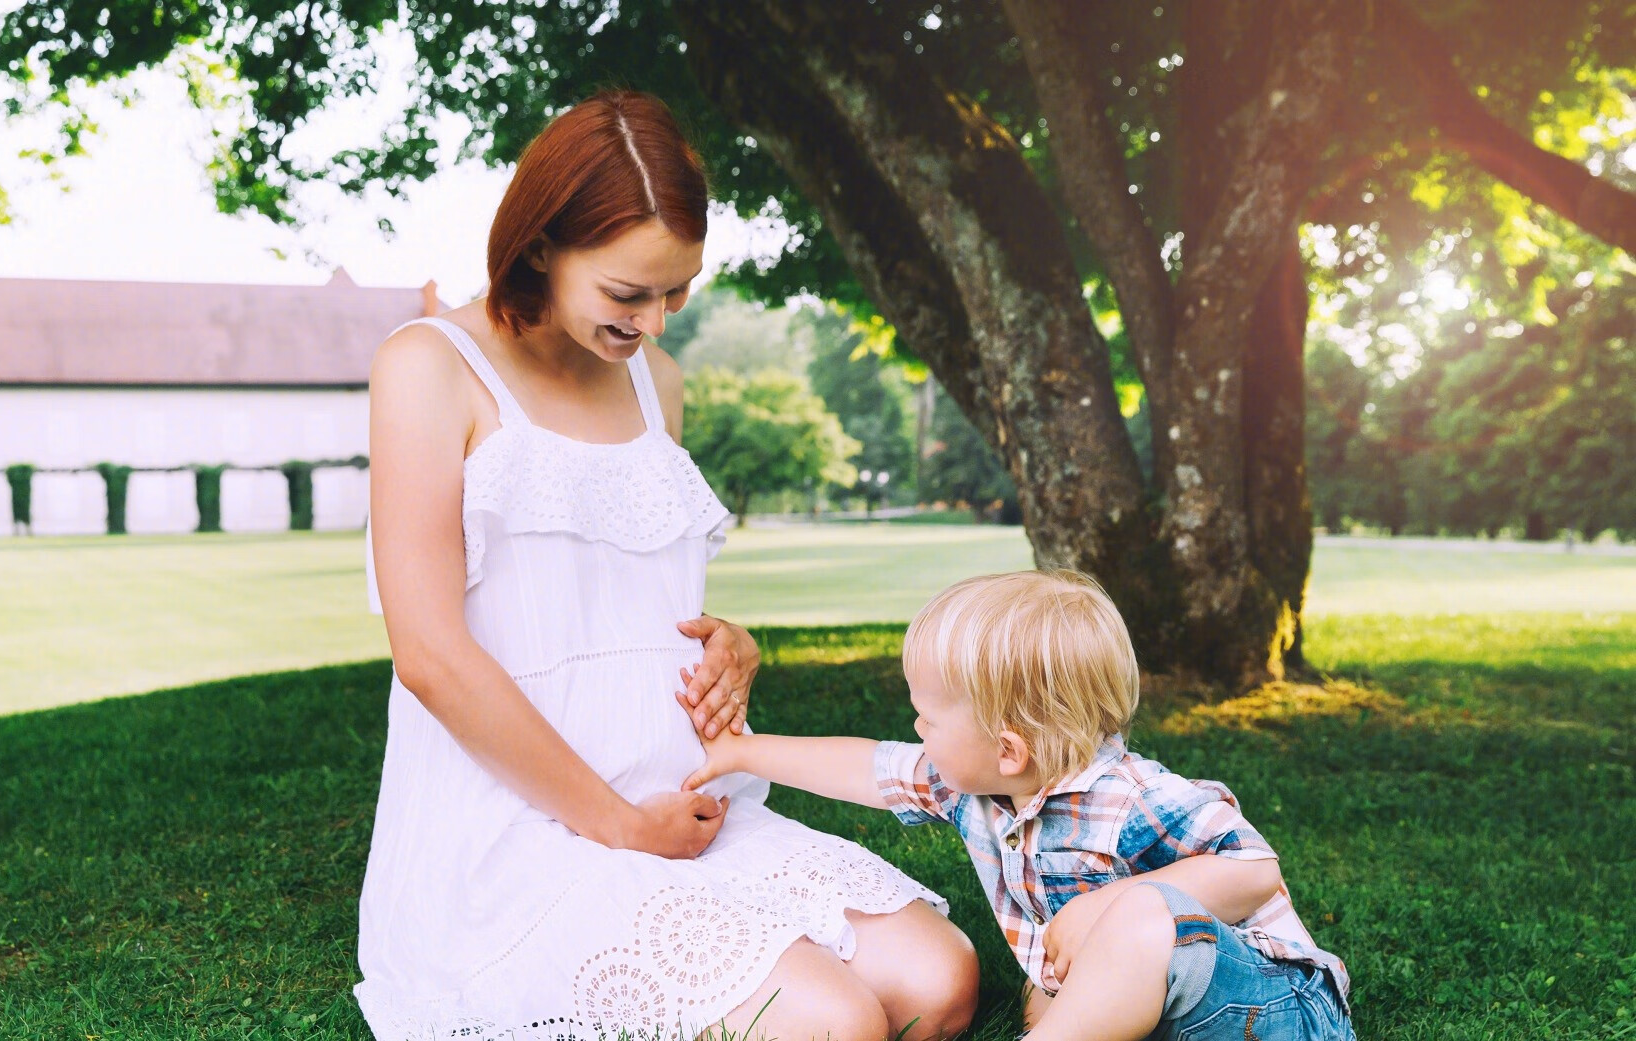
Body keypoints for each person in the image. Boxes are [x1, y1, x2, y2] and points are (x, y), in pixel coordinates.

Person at [358, 90, 977, 1041]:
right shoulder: (428, 366)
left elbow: (621, 595)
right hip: (519, 824)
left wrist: (727, 643)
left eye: (676, 289)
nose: (655, 321)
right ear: (538, 248)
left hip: (680, 797)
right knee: (830, 1021)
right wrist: (613, 821)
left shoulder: (659, 382)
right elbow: (431, 656)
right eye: (627, 292)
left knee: (940, 978)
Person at [684, 570, 1355, 1041]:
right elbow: (868, 767)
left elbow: (1255, 868)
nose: (916, 733)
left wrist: (1106, 907)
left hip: (1273, 1011)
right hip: (1167, 1013)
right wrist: (745, 750)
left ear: (1007, 749)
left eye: (928, 720)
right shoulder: (971, 782)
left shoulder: (1129, 795)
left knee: (1134, 918)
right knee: (1052, 985)